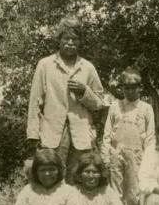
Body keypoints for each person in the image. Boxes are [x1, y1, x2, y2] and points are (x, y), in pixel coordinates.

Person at [26, 16, 106, 183]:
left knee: (78, 179)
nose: (70, 42)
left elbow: (99, 103)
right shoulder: (45, 65)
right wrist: (33, 134)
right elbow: (35, 102)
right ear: (59, 40)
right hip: (52, 133)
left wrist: (84, 92)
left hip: (81, 134)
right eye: (66, 38)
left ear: (80, 42)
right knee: (52, 178)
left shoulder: (88, 68)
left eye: (75, 39)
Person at [101, 68, 155, 205]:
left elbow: (150, 137)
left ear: (140, 88)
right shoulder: (115, 106)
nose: (130, 91)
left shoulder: (146, 108)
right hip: (116, 154)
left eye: (133, 87)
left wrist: (149, 160)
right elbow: (107, 134)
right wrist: (106, 156)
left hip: (137, 156)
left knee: (133, 194)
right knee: (115, 192)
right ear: (122, 88)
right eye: (126, 87)